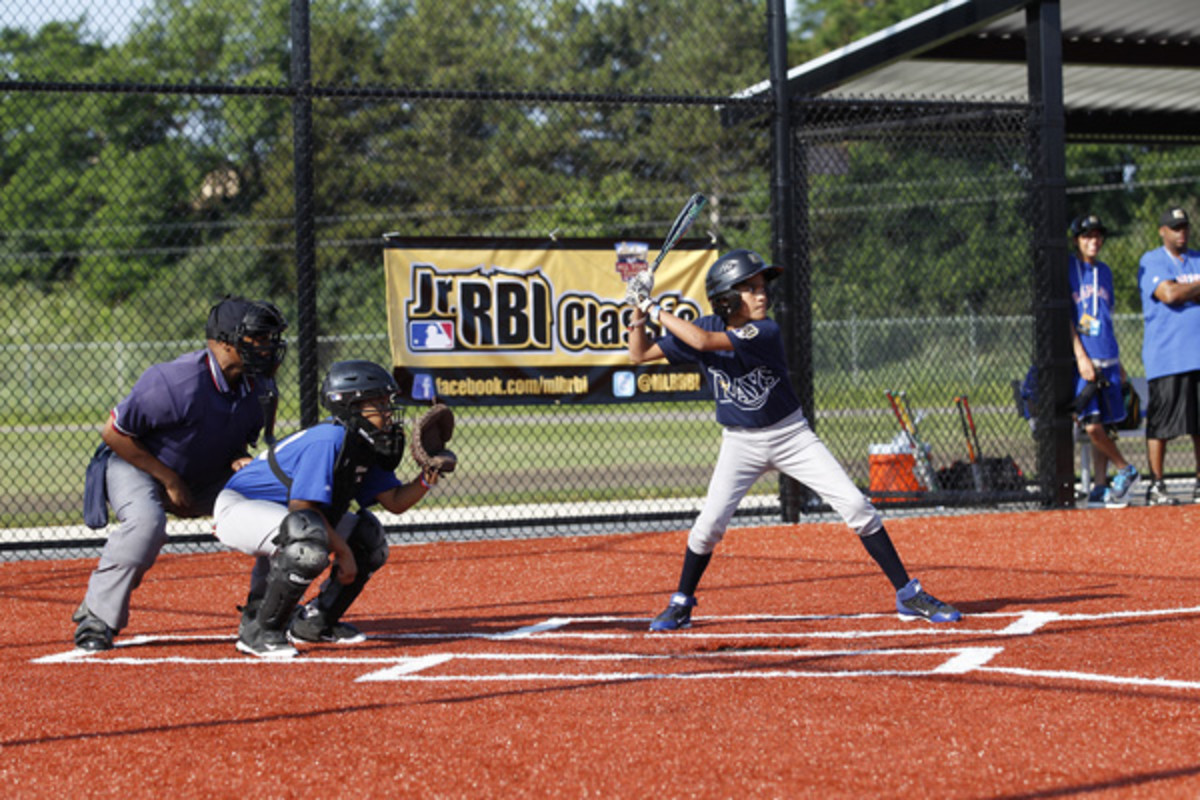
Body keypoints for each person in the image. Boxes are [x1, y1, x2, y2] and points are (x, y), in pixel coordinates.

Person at [623, 249, 961, 631]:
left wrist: (650, 305)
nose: (761, 295)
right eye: (749, 288)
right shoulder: (705, 323)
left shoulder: (764, 330)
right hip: (741, 442)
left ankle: (907, 593)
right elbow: (638, 354)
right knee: (709, 526)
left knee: (856, 506)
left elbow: (701, 341)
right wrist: (637, 307)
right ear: (725, 297)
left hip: (790, 435)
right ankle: (682, 602)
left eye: (762, 287)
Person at [72, 296, 288, 651]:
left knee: (279, 509)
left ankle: (265, 613)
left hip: (203, 474)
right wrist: (169, 480)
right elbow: (115, 433)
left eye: (270, 338)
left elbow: (237, 441)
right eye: (258, 337)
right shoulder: (175, 380)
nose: (268, 347)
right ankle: (97, 616)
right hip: (137, 464)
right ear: (223, 342)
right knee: (146, 523)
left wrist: (239, 459)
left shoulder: (262, 389)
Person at [213, 360, 441, 658]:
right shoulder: (330, 439)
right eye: (379, 403)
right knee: (308, 541)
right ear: (352, 405)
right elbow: (302, 507)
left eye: (388, 402)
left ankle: (315, 623)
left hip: (290, 516)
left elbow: (395, 502)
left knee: (368, 538)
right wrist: (343, 553)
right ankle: (260, 633)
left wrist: (428, 477)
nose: (388, 411)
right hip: (239, 508)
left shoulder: (363, 442)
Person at [1067, 214, 1140, 508]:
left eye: (1097, 236)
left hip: (1109, 357)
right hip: (1087, 360)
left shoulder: (1106, 272)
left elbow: (1105, 319)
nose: (1093, 241)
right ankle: (1126, 469)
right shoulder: (1068, 270)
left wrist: (1119, 361)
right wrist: (1080, 356)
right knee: (1092, 426)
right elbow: (1069, 320)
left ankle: (1099, 485)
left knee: (1105, 425)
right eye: (1087, 236)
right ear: (1076, 241)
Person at [1137, 206, 1200, 506]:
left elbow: (1178, 291)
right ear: (1162, 231)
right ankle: (1157, 485)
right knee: (1161, 425)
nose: (1181, 232)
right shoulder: (1152, 260)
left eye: (1184, 227)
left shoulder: (1197, 258)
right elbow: (1169, 295)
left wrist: (1184, 288)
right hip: (1167, 357)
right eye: (1175, 228)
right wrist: (1189, 289)